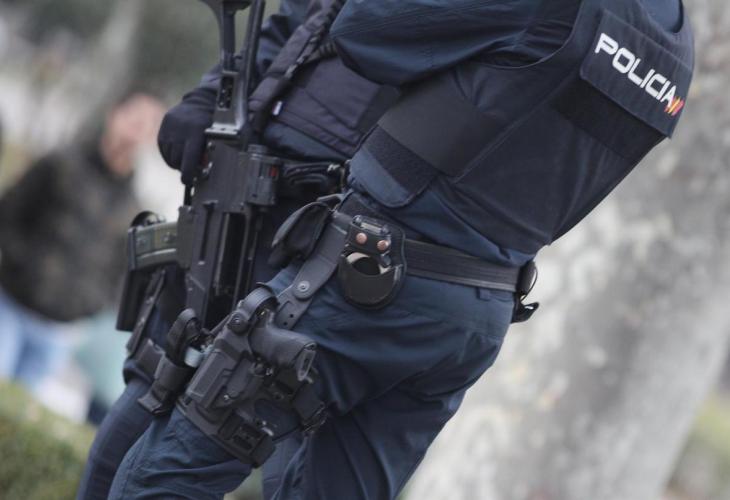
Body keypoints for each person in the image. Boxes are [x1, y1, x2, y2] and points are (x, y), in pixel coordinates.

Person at [109, 0, 693, 498]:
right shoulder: (677, 51)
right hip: (474, 316)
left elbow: (365, 31)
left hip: (370, 283)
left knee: (163, 477)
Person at [77, 1, 399, 498]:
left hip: (323, 242)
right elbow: (292, 24)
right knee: (121, 441)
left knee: (209, 455)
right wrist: (209, 97)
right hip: (236, 207)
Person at [0, 93, 162, 394]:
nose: (138, 129)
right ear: (114, 113)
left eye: (149, 125)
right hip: (11, 305)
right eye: (135, 117)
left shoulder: (134, 208)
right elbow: (10, 213)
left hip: (60, 331)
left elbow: (121, 274)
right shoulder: (61, 164)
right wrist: (20, 263)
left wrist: (92, 306)